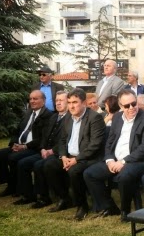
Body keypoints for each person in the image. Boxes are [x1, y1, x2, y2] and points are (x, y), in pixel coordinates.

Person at [84, 90, 144, 221]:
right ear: (120, 106)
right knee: (90, 174)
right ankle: (109, 207)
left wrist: (123, 162)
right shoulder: (117, 117)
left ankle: (125, 210)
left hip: (139, 161)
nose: (131, 107)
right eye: (127, 106)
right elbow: (110, 142)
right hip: (116, 160)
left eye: (134, 103)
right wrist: (109, 160)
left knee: (124, 175)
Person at [44, 88, 106, 220]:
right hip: (69, 156)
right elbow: (62, 140)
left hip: (88, 157)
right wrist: (63, 156)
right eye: (69, 102)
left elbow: (95, 145)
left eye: (75, 102)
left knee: (74, 171)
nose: (71, 106)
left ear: (84, 103)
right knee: (49, 165)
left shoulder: (95, 118)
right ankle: (64, 199)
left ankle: (82, 206)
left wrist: (76, 159)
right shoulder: (68, 117)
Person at [0, 90, 52, 198]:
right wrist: (13, 143)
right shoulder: (28, 113)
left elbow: (42, 138)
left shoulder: (48, 116)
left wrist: (25, 146)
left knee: (13, 158)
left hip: (33, 148)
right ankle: (11, 184)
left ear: (43, 101)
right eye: (30, 99)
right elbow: (18, 131)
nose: (32, 101)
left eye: (35, 99)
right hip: (19, 145)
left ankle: (18, 187)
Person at [15, 91, 69, 207]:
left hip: (58, 153)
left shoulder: (70, 118)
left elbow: (65, 141)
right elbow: (44, 136)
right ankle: (28, 195)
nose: (58, 103)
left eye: (61, 100)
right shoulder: (53, 117)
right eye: (56, 100)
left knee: (38, 165)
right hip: (45, 151)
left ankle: (44, 198)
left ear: (68, 102)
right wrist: (43, 148)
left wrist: (52, 151)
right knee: (23, 163)